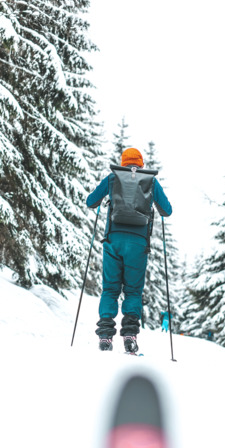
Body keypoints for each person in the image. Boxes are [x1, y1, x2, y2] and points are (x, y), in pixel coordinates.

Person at [86, 147, 173, 353]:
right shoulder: (150, 181)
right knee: (133, 290)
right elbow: (167, 211)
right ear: (140, 163)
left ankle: (106, 337)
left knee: (110, 289)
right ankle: (130, 336)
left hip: (113, 240)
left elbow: (91, 202)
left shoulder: (112, 178)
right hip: (138, 244)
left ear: (123, 162)